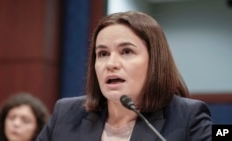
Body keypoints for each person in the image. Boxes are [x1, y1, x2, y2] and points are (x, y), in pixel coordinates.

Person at [37, 11, 212, 141]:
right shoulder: (66, 114)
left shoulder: (189, 117)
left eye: (126, 51)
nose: (111, 63)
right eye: (103, 54)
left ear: (155, 61)